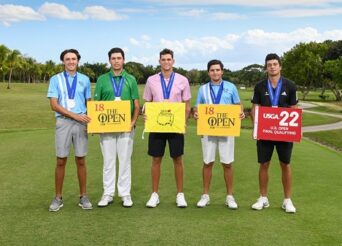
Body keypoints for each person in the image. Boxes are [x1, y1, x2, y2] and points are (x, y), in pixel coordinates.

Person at [193, 59, 244, 209]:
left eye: (217, 70)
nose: (215, 72)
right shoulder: (203, 89)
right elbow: (197, 108)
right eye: (212, 70)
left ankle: (229, 196)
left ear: (222, 71)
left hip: (227, 130)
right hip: (208, 130)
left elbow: (237, 105)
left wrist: (240, 113)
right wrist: (196, 114)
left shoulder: (231, 87)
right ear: (208, 72)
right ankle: (205, 195)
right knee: (208, 162)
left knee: (227, 163)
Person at [143, 48, 191, 208]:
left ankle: (180, 194)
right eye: (163, 59)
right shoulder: (151, 80)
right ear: (159, 61)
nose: (166, 62)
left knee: (177, 159)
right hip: (157, 125)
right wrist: (145, 114)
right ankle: (154, 194)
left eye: (169, 59)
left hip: (175, 126)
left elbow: (187, 105)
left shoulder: (183, 80)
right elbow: (147, 104)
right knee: (156, 159)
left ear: (173, 61)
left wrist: (183, 122)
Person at [250, 53, 298, 213]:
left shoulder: (290, 85)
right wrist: (256, 128)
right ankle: (263, 198)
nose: (272, 66)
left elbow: (294, 110)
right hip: (265, 132)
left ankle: (287, 200)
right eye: (269, 64)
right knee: (264, 164)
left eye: (275, 64)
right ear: (266, 68)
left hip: (284, 132)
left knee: (285, 164)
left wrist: (295, 130)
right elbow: (254, 109)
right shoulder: (259, 86)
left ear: (280, 66)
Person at [47, 49, 92, 212]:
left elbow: (89, 103)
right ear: (63, 61)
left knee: (81, 159)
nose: (71, 61)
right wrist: (75, 116)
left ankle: (83, 196)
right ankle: (58, 197)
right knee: (61, 160)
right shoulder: (55, 79)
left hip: (81, 123)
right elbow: (54, 104)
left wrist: (89, 122)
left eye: (74, 59)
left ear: (78, 61)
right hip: (63, 122)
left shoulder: (85, 79)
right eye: (68, 59)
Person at [94, 47, 140, 208]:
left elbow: (136, 104)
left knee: (125, 161)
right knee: (108, 161)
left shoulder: (131, 79)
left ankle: (125, 194)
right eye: (113, 58)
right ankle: (107, 193)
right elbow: (96, 105)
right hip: (106, 128)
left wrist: (133, 123)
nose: (116, 61)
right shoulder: (102, 79)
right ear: (109, 60)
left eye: (119, 58)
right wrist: (95, 126)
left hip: (126, 128)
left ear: (123, 60)